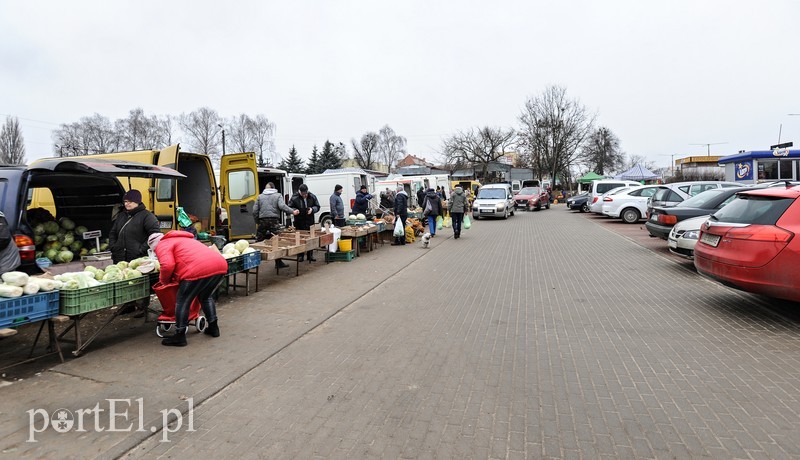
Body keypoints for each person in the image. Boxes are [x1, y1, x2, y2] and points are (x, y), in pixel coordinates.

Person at [148, 231, 227, 347]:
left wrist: (164, 281)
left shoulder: (162, 244)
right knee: (205, 297)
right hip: (220, 265)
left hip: (196, 270)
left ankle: (179, 336)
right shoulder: (186, 239)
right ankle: (213, 327)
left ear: (154, 245)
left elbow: (167, 265)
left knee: (182, 301)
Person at [109, 189, 159, 317]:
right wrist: (114, 246)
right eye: (125, 201)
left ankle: (143, 307)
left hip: (138, 257)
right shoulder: (121, 216)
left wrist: (140, 249)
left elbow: (154, 235)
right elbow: (113, 233)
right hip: (121, 256)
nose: (127, 204)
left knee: (141, 282)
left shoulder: (147, 216)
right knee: (126, 281)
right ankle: (129, 305)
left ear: (137, 201)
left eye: (130, 201)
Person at [253, 182, 299, 269]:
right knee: (277, 240)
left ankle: (254, 263)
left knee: (258, 241)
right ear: (274, 188)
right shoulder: (278, 195)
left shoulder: (260, 196)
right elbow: (282, 206)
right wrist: (292, 211)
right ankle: (278, 262)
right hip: (274, 221)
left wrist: (257, 221)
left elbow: (254, 210)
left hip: (262, 220)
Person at [288, 184, 320, 262]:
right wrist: (294, 210)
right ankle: (300, 255)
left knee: (310, 237)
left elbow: (318, 206)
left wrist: (312, 209)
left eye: (306, 194)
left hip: (310, 221)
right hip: (299, 221)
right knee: (300, 239)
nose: (305, 195)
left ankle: (310, 255)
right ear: (300, 192)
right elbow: (289, 207)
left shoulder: (312, 196)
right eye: (303, 194)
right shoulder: (294, 197)